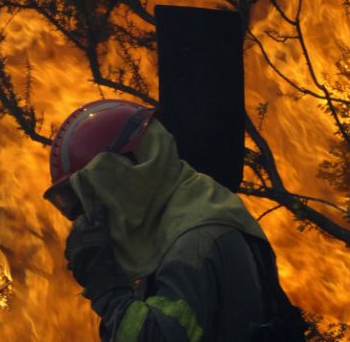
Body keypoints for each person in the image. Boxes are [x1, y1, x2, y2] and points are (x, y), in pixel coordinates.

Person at [43, 99, 307, 341]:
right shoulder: (190, 212)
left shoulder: (194, 242)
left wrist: (106, 285)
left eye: (90, 196)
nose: (85, 217)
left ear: (130, 173)